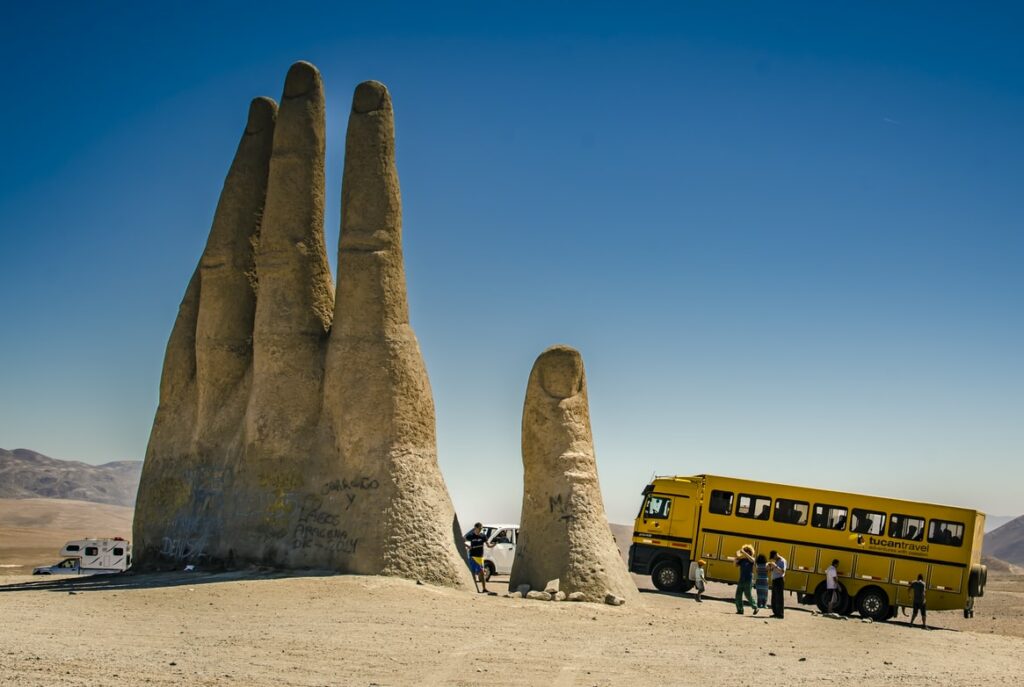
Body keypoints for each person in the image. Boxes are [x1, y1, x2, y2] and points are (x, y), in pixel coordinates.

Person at [464, 522, 495, 593]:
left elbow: (488, 545)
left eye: (481, 528)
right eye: (479, 528)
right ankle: (475, 589)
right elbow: (462, 540)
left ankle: (484, 588)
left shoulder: (483, 536)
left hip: (480, 557)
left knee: (482, 573)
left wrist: (493, 545)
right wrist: (468, 546)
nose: (480, 529)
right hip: (472, 557)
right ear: (475, 528)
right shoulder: (471, 535)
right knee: (473, 573)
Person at [734, 545, 759, 615]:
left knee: (748, 595)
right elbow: (735, 565)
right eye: (745, 550)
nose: (745, 552)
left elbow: (753, 560)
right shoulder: (742, 560)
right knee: (738, 595)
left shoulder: (751, 559)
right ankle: (740, 610)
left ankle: (755, 607)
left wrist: (744, 553)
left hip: (748, 579)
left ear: (750, 552)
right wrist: (736, 557)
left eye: (746, 551)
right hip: (741, 579)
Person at [768, 550, 787, 618]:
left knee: (779, 598)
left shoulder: (782, 561)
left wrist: (775, 566)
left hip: (779, 580)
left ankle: (780, 614)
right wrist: (770, 567)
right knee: (774, 598)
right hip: (775, 580)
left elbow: (782, 571)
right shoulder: (776, 561)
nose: (773, 559)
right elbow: (773, 570)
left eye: (773, 557)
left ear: (776, 555)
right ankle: (775, 613)